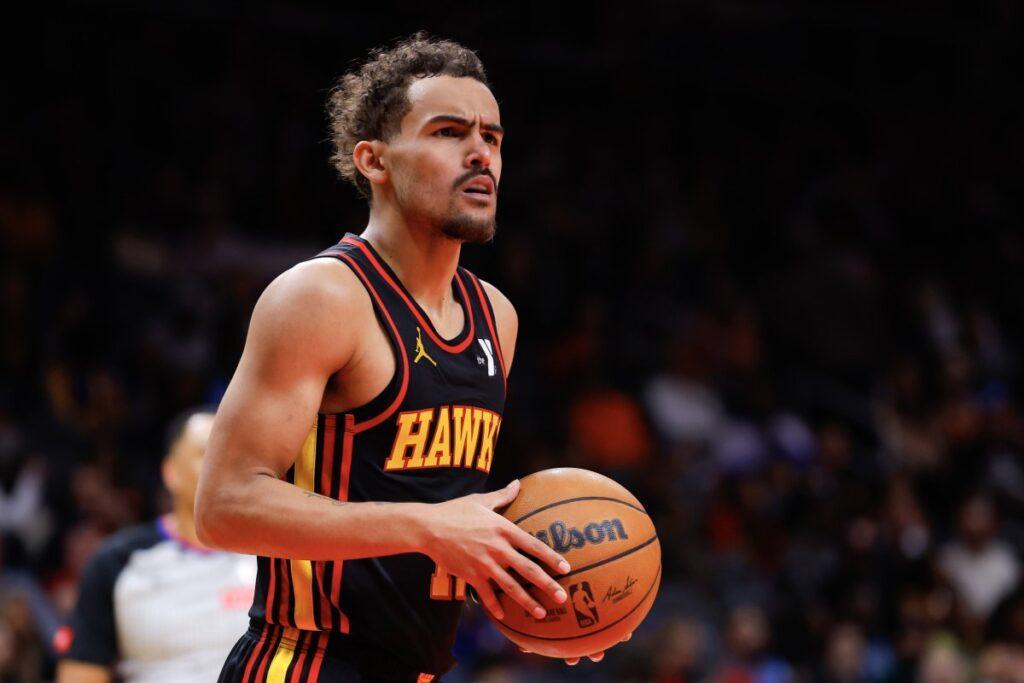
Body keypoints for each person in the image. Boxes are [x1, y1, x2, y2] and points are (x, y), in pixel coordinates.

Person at [196, 33, 623, 683]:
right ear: (374, 160)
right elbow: (223, 507)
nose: (480, 153)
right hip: (306, 662)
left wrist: (540, 596)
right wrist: (430, 527)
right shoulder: (322, 296)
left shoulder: (496, 316)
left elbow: (431, 523)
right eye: (449, 132)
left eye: (492, 137)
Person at [55, 408, 256, 682]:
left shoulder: (276, 556)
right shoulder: (117, 563)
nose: (224, 463)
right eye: (206, 452)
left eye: (234, 453)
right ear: (171, 472)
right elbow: (79, 674)